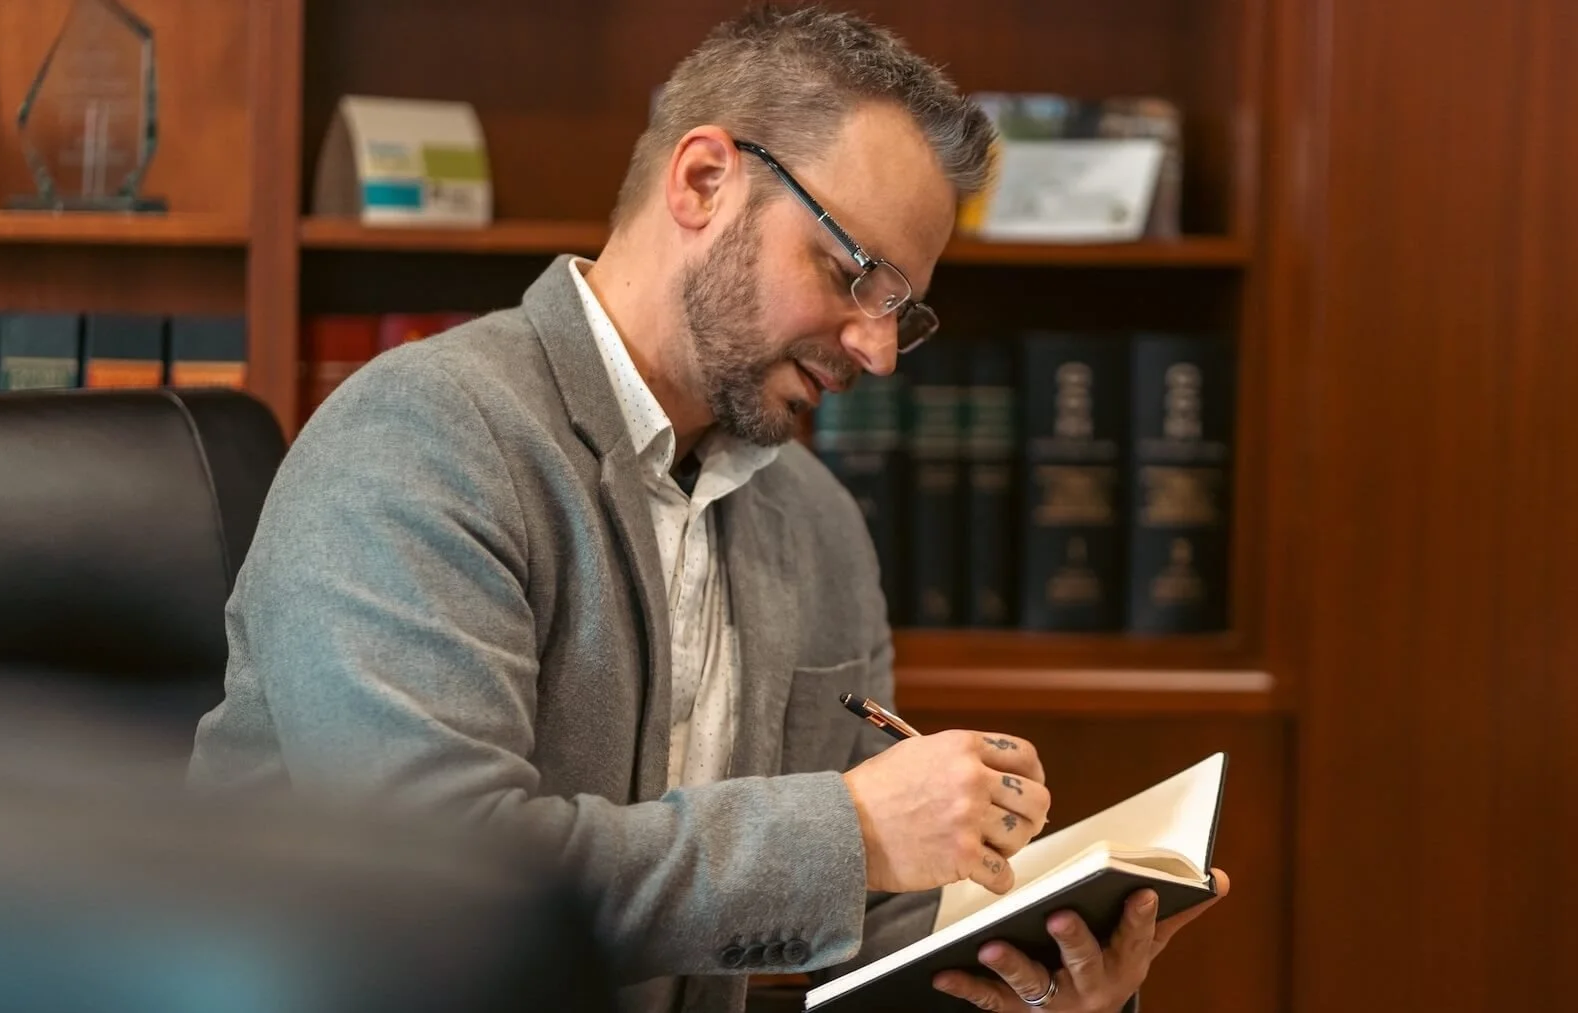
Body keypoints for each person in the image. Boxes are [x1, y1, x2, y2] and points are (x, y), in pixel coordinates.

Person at [189, 6, 1225, 1012]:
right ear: (704, 181)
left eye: (900, 310)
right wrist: (853, 829)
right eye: (853, 274)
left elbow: (851, 908)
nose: (873, 349)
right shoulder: (421, 435)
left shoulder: (815, 518)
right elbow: (438, 886)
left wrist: (1043, 958)